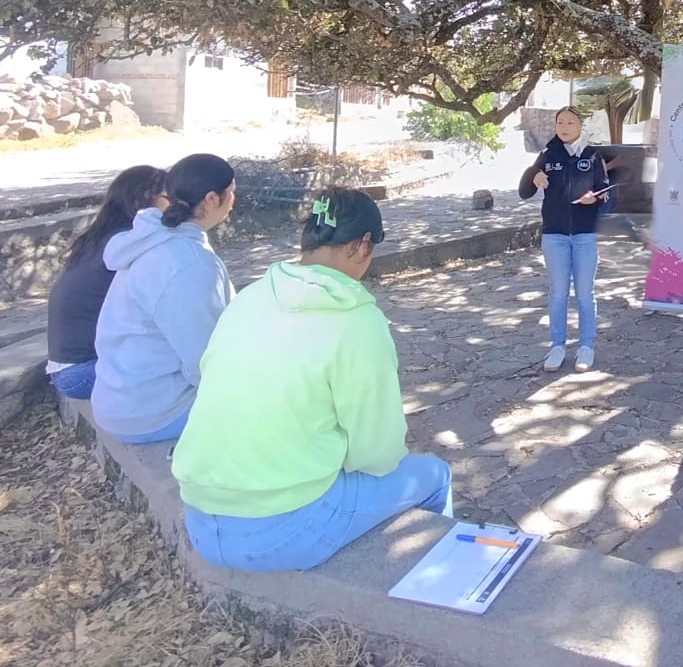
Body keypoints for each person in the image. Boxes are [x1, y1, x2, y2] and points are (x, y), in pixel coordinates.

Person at [172, 188, 453, 572]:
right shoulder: (357, 320)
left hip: (202, 519)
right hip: (281, 531)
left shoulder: (251, 296)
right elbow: (378, 455)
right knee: (434, 474)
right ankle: (438, 575)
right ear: (362, 245)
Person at [90, 153, 237, 443]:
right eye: (231, 193)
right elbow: (205, 361)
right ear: (211, 199)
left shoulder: (155, 239)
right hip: (154, 412)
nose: (233, 201)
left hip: (121, 399)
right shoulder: (187, 262)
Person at [45, 165, 168, 400]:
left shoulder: (103, 237)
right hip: (85, 370)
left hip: (70, 369)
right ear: (146, 199)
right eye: (168, 198)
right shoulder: (128, 243)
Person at [518, 105, 610, 372]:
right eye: (561, 123)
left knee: (584, 293)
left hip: (584, 235)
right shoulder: (547, 155)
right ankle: (557, 347)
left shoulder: (592, 156)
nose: (565, 127)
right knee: (558, 293)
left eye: (571, 122)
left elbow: (606, 194)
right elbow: (524, 191)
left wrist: (595, 198)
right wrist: (533, 174)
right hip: (555, 235)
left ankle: (586, 347)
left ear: (580, 126)